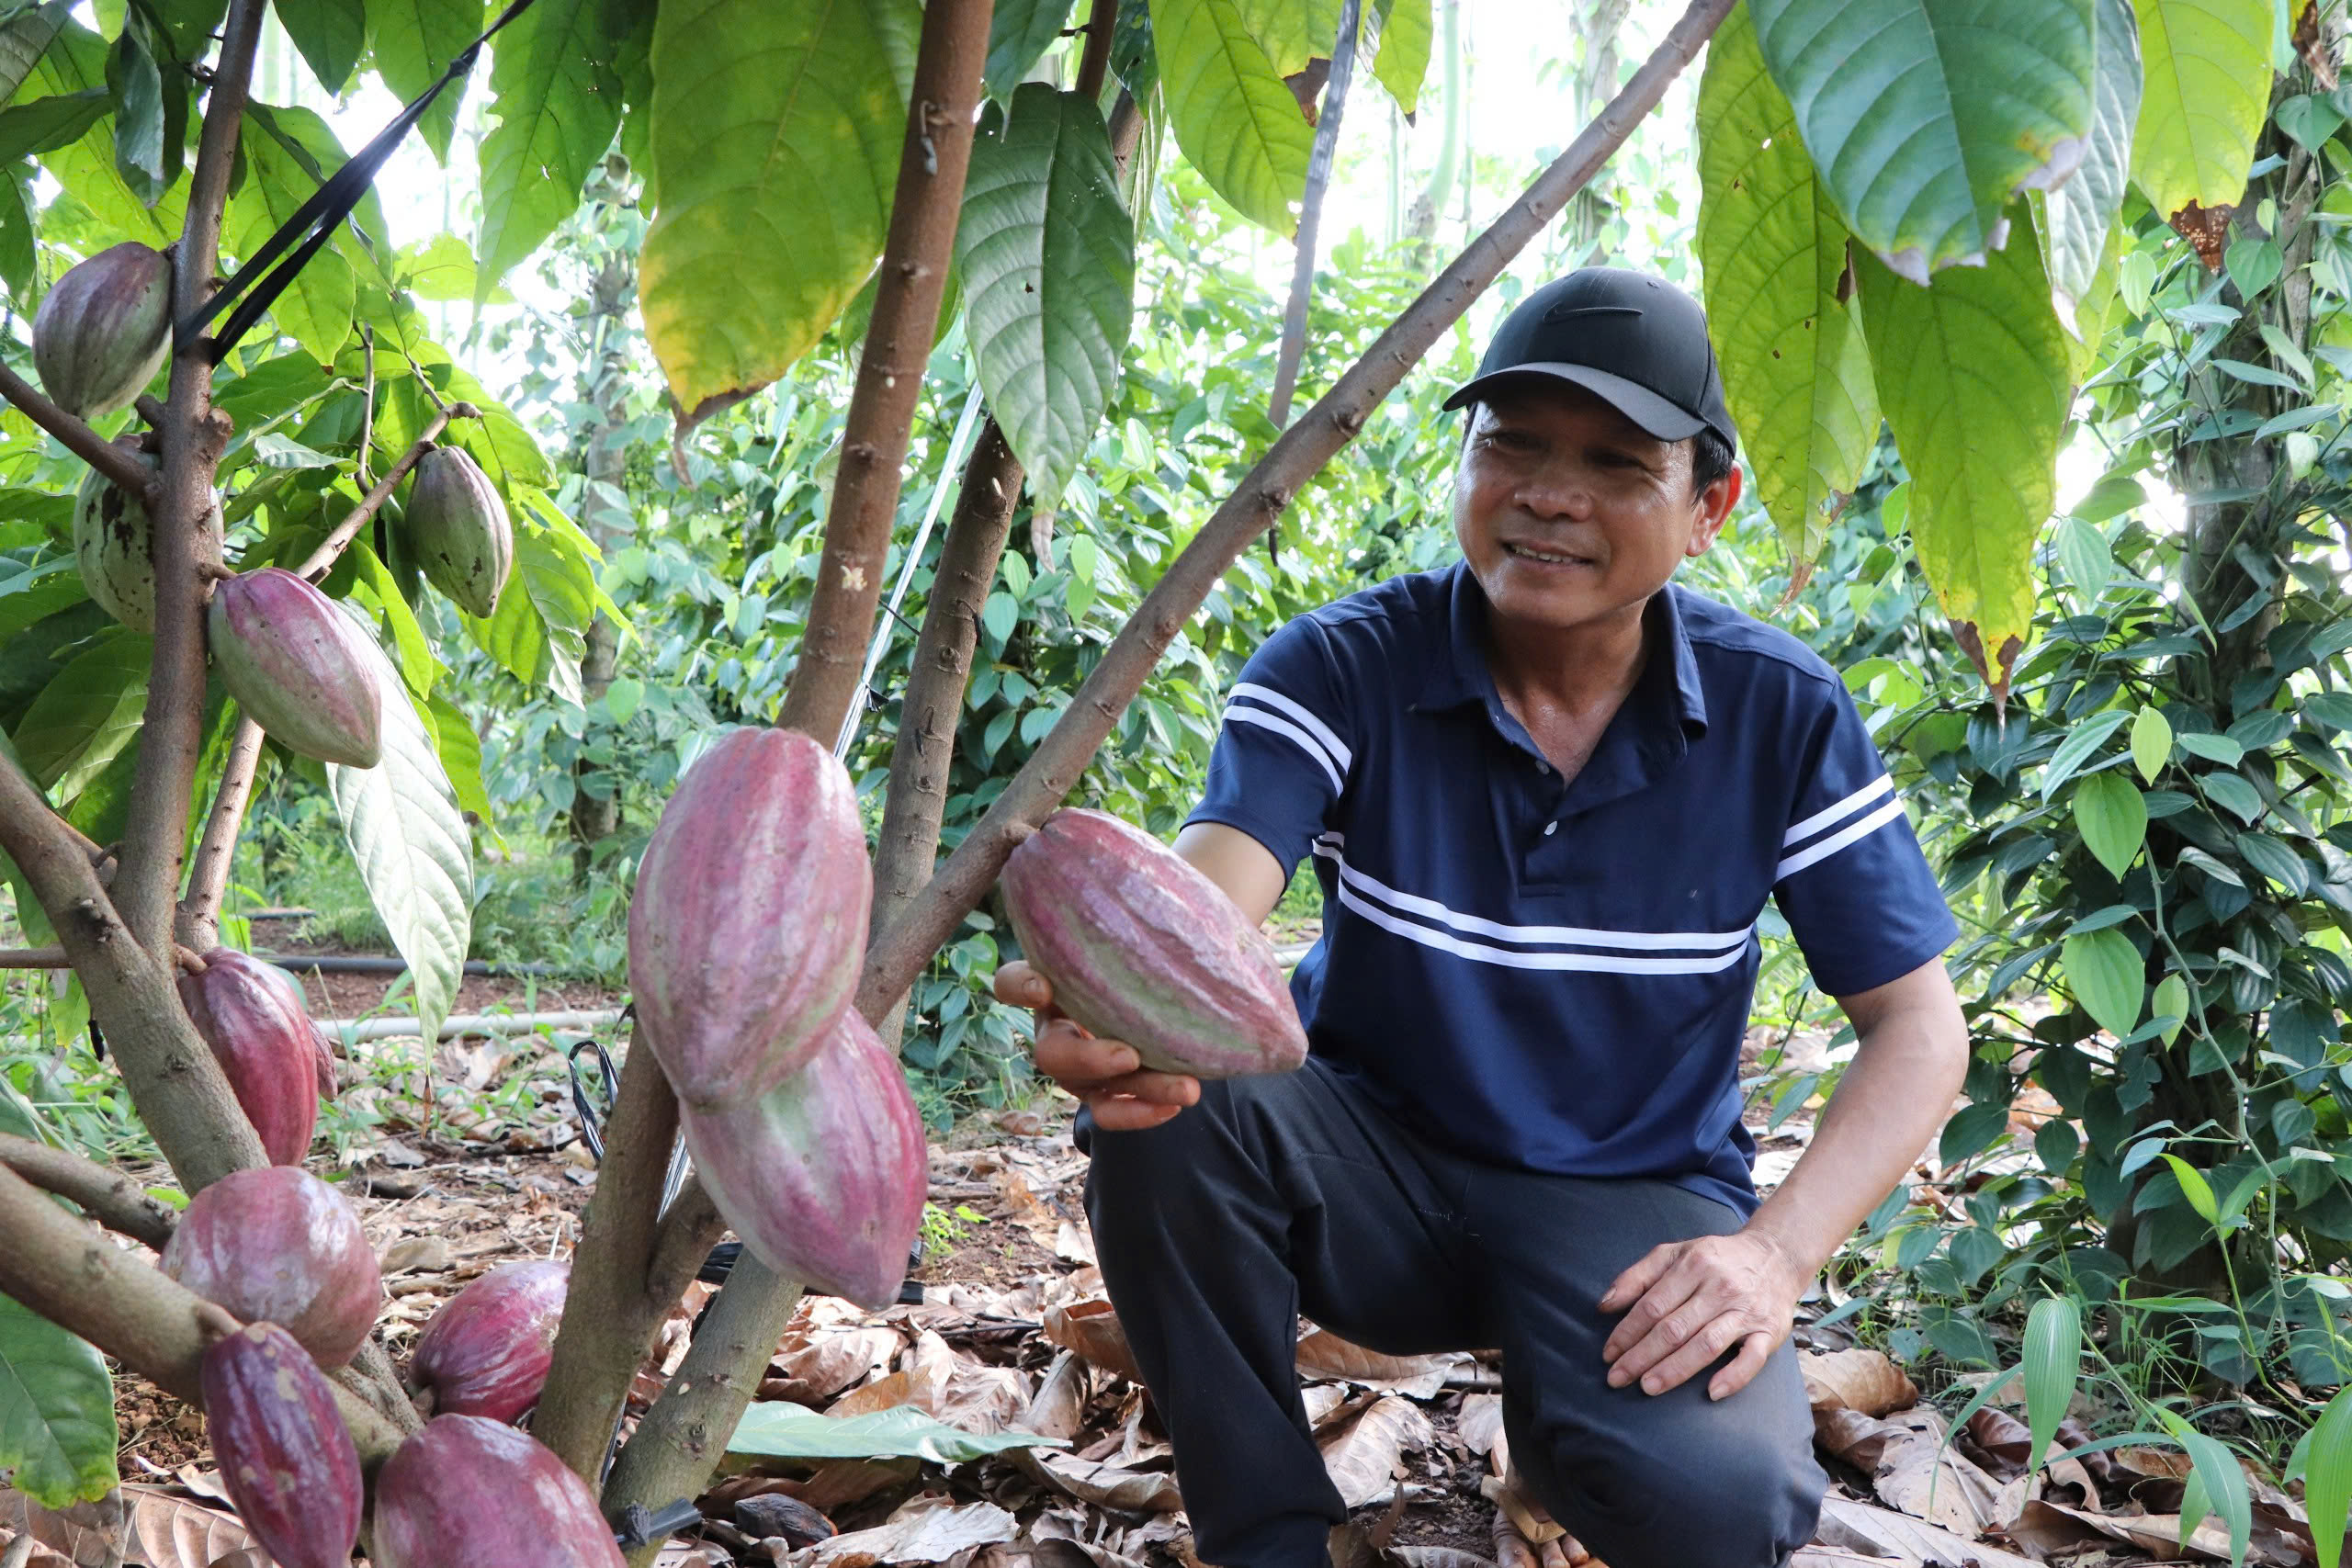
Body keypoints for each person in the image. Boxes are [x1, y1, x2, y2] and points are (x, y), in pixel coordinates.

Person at [993, 267, 1970, 1568]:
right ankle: (1270, 1536)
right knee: (1182, 1113)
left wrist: (1774, 1258)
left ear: (1708, 509)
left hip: (1626, 1204)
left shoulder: (1778, 714)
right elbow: (1211, 906)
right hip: (1367, 1169)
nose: (1551, 494)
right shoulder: (1340, 666)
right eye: (1511, 443)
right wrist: (1124, 1003)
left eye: (1618, 464)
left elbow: (1919, 1030)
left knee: (1725, 1509)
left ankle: (1564, 1448)